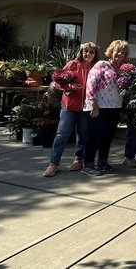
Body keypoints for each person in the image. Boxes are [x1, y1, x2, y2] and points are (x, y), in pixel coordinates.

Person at [43, 42, 99, 177]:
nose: (88, 54)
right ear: (81, 52)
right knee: (62, 135)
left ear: (95, 54)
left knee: (82, 135)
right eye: (85, 51)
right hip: (69, 106)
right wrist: (69, 87)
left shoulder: (96, 67)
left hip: (86, 108)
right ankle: (53, 164)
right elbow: (57, 82)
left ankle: (78, 159)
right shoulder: (72, 64)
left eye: (91, 52)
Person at [82, 40, 129, 176]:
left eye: (123, 52)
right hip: (99, 107)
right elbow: (91, 84)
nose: (120, 54)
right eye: (118, 51)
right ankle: (88, 165)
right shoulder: (102, 64)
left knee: (107, 137)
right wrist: (93, 104)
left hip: (115, 106)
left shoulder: (123, 68)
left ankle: (103, 162)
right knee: (94, 136)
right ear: (111, 51)